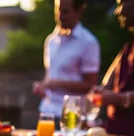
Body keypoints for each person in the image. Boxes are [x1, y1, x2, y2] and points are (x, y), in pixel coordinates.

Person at [33, 0, 100, 128]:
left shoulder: (89, 42)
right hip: (46, 112)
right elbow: (51, 75)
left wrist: (58, 84)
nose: (60, 15)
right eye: (57, 10)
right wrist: (42, 86)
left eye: (65, 11)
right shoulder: (50, 40)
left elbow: (91, 85)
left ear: (78, 11)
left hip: (71, 115)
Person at [89, 0, 134, 136]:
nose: (118, 11)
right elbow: (106, 84)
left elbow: (115, 96)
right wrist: (99, 93)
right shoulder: (128, 47)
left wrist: (120, 99)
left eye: (122, 2)